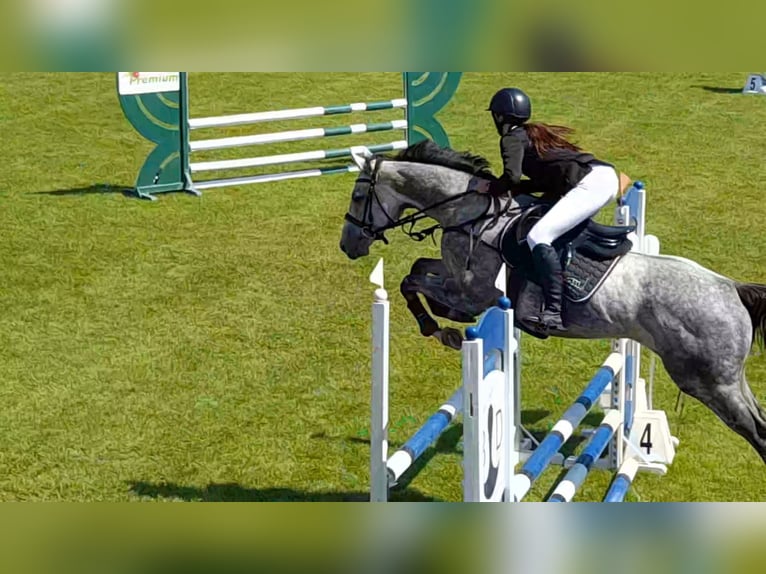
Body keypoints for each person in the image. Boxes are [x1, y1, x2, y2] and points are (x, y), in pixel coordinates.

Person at [484, 87, 628, 335]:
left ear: (499, 117)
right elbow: (543, 180)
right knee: (546, 225)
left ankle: (553, 311)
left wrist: (488, 188)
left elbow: (512, 176)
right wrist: (517, 190)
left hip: (591, 183)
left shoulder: (511, 138)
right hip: (602, 176)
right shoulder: (531, 133)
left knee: (538, 236)